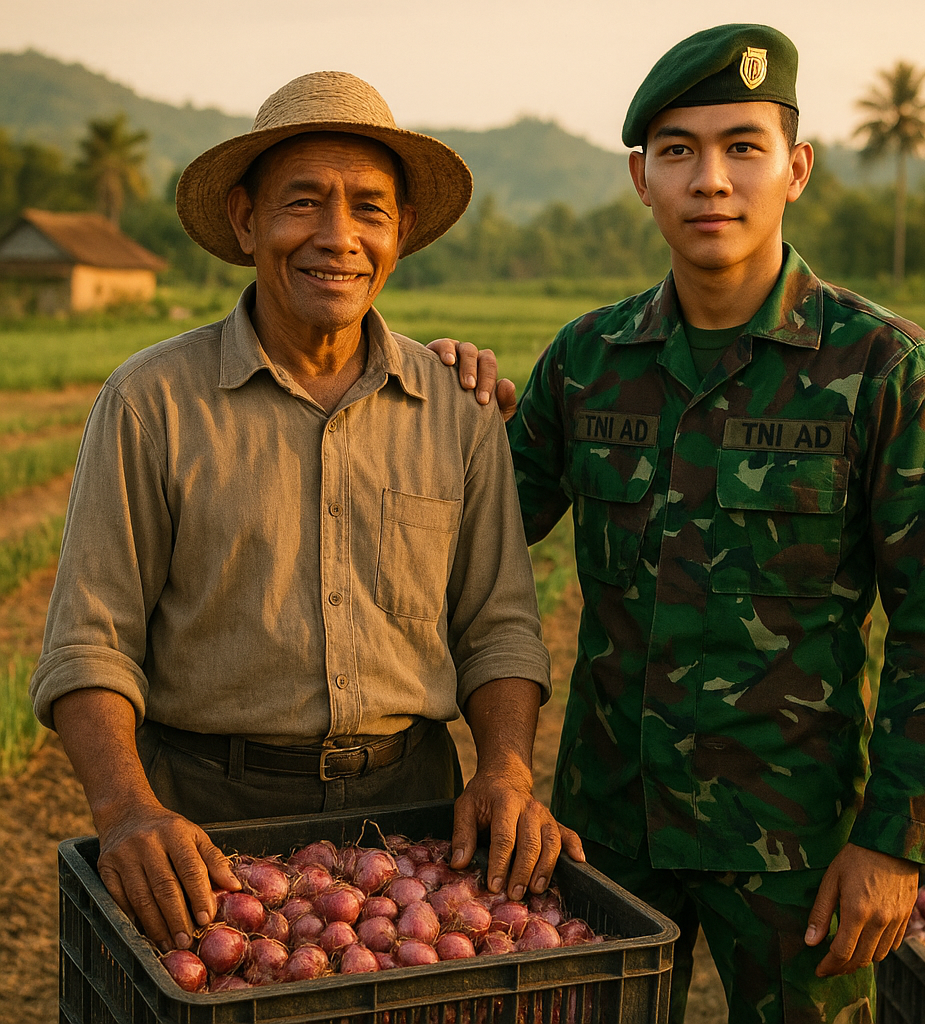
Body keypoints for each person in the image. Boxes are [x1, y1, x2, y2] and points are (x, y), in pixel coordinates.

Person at [434, 23, 925, 1023]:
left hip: (793, 849)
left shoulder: (882, 371)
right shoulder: (587, 361)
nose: (710, 181)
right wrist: (418, 407)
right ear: (642, 178)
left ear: (796, 169)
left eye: (742, 148)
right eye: (678, 152)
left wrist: (896, 845)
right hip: (605, 836)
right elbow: (472, 541)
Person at [30, 71, 582, 957]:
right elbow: (89, 641)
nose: (338, 237)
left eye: (369, 208)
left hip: (416, 818)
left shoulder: (456, 407)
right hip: (208, 818)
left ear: (399, 232)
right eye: (303, 203)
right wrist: (128, 810)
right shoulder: (151, 403)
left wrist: (507, 768)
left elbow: (500, 626)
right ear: (247, 222)